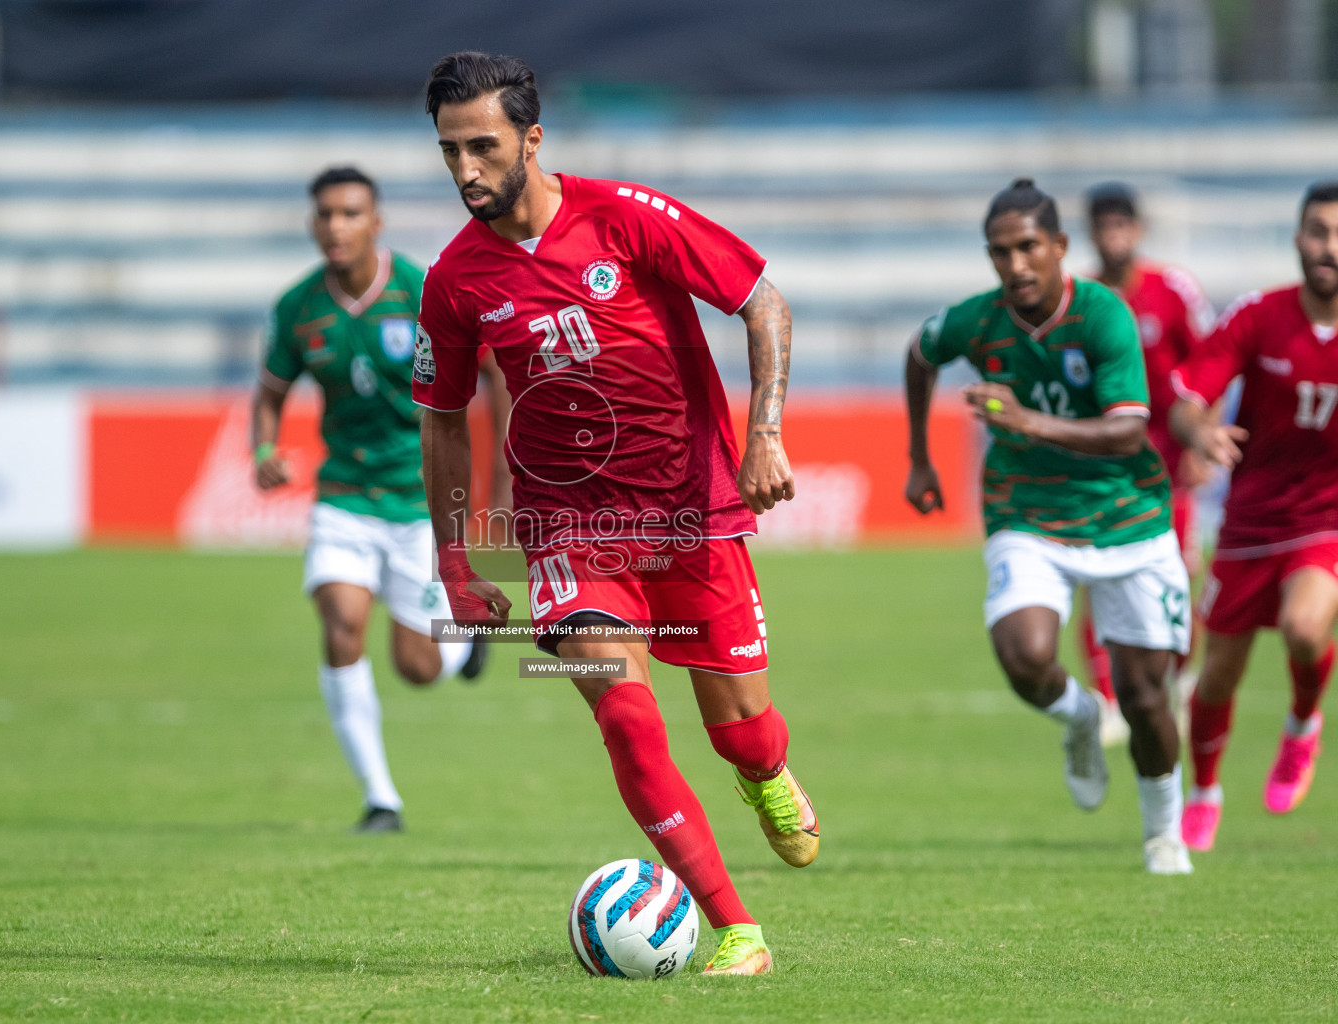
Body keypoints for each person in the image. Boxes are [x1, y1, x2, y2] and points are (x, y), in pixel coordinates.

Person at [414, 52, 815, 976]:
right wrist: (456, 565)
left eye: (483, 146)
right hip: (569, 534)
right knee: (627, 718)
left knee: (744, 729)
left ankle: (763, 775)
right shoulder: (455, 282)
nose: (467, 170)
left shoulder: (627, 219)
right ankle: (735, 928)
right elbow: (440, 422)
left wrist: (765, 433)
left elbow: (764, 304)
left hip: (692, 513)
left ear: (532, 138)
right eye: (449, 152)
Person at [904, 178, 1193, 875]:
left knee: (1148, 695)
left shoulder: (1104, 315)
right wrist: (919, 458)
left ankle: (1163, 832)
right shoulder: (978, 320)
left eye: (1029, 247)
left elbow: (1129, 431)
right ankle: (1080, 718)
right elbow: (921, 352)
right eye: (1000, 252)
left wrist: (1025, 420)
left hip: (1128, 515)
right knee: (1025, 654)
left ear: (1060, 246)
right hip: (1025, 509)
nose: (1016, 265)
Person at [252, 166, 494, 833]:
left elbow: (488, 374)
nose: (335, 226)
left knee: (417, 667)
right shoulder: (298, 307)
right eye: (325, 214)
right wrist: (263, 452)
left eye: (350, 213)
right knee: (341, 627)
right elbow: (270, 394)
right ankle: (380, 798)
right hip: (344, 499)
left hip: (416, 501)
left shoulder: (421, 290)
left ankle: (463, 639)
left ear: (375, 223)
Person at [1169, 181, 1338, 851]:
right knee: (1216, 678)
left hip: (1326, 519)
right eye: (1319, 232)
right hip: (1249, 524)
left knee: (1304, 627)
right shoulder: (1259, 315)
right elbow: (1188, 397)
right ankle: (1204, 791)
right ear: (1298, 240)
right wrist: (1199, 433)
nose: (1330, 247)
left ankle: (1302, 723)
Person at [1083, 182, 1218, 744]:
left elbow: (1210, 363)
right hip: (1103, 466)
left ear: (1137, 231)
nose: (1114, 236)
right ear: (1091, 234)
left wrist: (1202, 440)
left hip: (1167, 461)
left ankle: (1181, 684)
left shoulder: (1173, 290)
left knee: (1178, 578)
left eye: (1122, 225)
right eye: (1104, 226)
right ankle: (1108, 698)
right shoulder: (1083, 297)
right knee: (1096, 577)